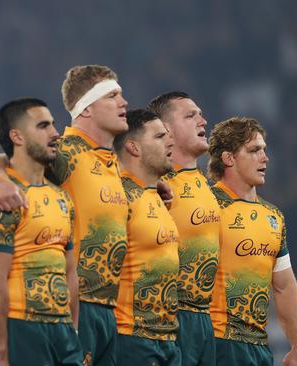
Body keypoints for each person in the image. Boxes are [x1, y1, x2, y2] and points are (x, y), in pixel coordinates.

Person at [0, 65, 129, 366]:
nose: (124, 102)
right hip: (75, 305)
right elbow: (3, 157)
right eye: (113, 96)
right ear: (87, 108)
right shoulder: (67, 152)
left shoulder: (110, 162)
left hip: (109, 306)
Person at [0, 98, 82, 366]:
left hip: (64, 332)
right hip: (23, 326)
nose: (55, 133)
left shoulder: (61, 197)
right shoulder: (5, 198)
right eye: (43, 126)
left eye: (52, 124)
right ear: (16, 136)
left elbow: (70, 271)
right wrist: (0, 350)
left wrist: (73, 329)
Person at [208, 117, 297, 366]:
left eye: (264, 149)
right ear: (228, 158)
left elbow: (284, 286)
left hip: (259, 347)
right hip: (215, 343)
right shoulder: (205, 205)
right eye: (254, 150)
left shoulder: (273, 217)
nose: (265, 158)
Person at [148, 92, 220, 365]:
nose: (203, 120)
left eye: (200, 114)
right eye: (190, 115)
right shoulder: (152, 185)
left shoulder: (207, 188)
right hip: (168, 318)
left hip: (205, 321)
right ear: (165, 129)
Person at [113, 109, 181, 365]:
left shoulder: (158, 198)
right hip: (132, 337)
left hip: (168, 339)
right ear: (134, 147)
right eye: (160, 136)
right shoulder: (117, 197)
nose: (170, 141)